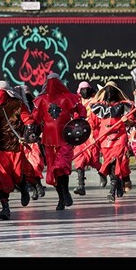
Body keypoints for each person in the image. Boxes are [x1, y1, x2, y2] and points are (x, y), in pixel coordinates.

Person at [0, 80, 36, 220]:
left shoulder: (17, 105)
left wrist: (26, 136)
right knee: (1, 178)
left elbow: (28, 121)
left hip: (15, 147)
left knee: (16, 176)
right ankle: (5, 208)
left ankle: (23, 187)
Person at [32, 73, 87, 210]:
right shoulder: (42, 100)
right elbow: (36, 119)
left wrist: (78, 123)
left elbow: (81, 111)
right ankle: (61, 197)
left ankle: (65, 193)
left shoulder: (67, 98)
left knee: (61, 167)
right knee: (54, 170)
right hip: (50, 141)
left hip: (65, 138)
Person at [89, 81, 136, 203]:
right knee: (110, 165)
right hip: (105, 140)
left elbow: (133, 122)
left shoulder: (125, 106)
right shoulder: (98, 107)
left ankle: (112, 191)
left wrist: (126, 121)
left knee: (117, 162)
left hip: (119, 139)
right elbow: (92, 124)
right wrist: (92, 137)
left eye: (112, 90)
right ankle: (118, 184)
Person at [72, 81, 107, 196]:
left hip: (93, 134)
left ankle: (103, 174)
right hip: (80, 133)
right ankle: (81, 186)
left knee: (94, 161)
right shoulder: (77, 102)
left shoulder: (96, 101)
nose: (85, 91)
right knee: (79, 159)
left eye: (87, 88)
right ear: (79, 90)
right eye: (83, 89)